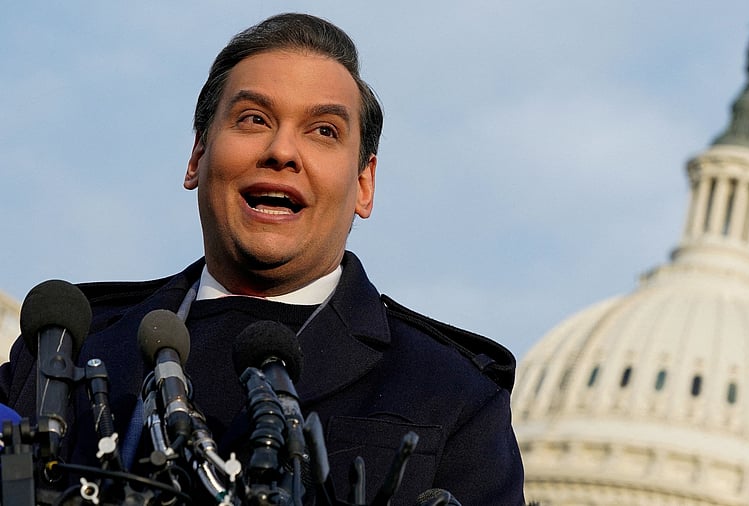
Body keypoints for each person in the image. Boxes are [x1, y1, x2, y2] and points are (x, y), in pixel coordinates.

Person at [0, 13, 525, 504]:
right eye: (254, 119)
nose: (281, 151)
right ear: (197, 157)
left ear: (364, 185)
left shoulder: (451, 392)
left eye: (324, 131)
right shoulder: (64, 350)